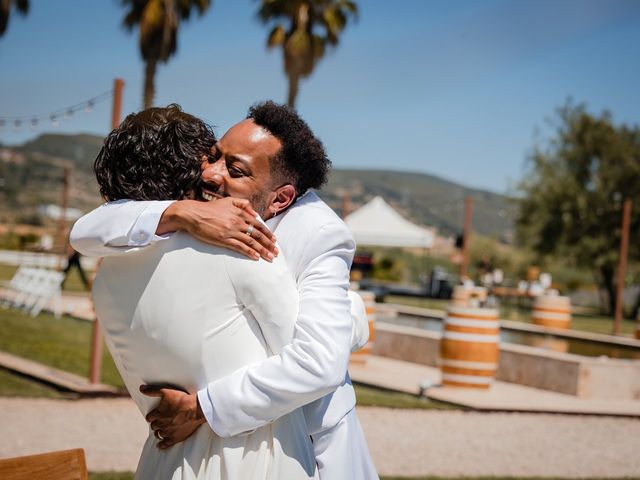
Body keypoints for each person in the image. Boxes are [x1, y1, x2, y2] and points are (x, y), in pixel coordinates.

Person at [71, 101, 378, 480]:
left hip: (310, 444)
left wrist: (201, 407)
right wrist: (180, 211)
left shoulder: (319, 233)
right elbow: (85, 230)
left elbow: (318, 361)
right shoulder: (196, 217)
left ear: (280, 198)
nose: (210, 175)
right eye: (214, 157)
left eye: (234, 170)